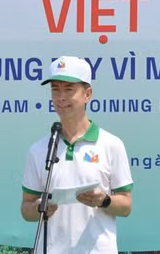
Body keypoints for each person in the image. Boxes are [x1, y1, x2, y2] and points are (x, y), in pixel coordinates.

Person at [20, 55, 133, 253]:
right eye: (55, 89)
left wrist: (104, 200)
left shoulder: (111, 145)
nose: (60, 97)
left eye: (68, 89)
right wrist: (39, 208)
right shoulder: (39, 150)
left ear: (87, 94)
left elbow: (126, 206)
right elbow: (26, 210)